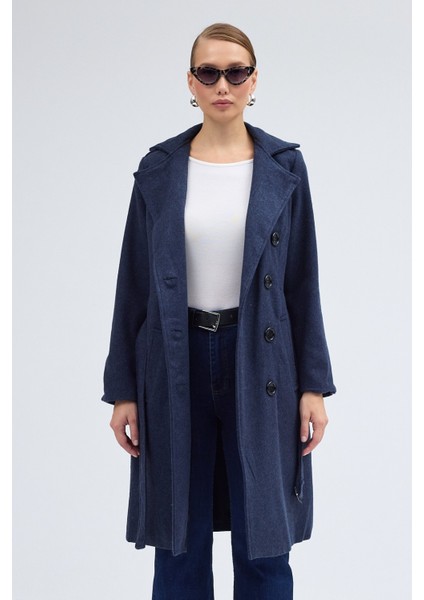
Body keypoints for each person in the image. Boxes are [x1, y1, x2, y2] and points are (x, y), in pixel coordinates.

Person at [102, 22, 336, 600]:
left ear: (254, 80)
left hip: (262, 360)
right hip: (174, 359)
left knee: (265, 542)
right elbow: (133, 282)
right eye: (208, 73)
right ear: (191, 82)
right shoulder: (159, 169)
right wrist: (123, 390)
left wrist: (313, 385)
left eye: (235, 72)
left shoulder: (284, 167)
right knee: (178, 542)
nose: (222, 85)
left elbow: (302, 282)